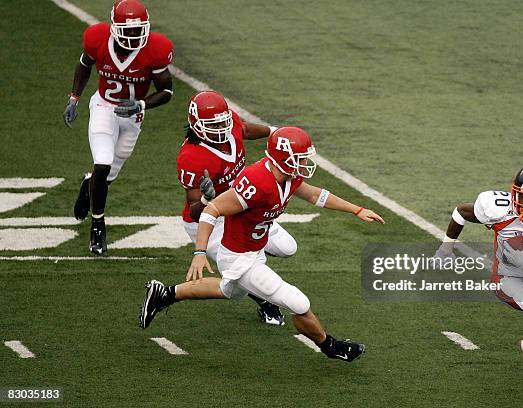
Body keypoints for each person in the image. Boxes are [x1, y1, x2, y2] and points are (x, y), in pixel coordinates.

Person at [140, 127, 385, 362]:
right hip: (238, 256)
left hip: (254, 247)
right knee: (299, 303)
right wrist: (200, 252)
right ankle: (330, 346)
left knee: (230, 291)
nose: (304, 163)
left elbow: (314, 195)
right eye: (299, 158)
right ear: (283, 158)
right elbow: (211, 210)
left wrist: (357, 209)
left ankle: (165, 294)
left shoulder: (287, 176)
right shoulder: (257, 181)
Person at [434, 164, 523, 390]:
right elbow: (461, 212)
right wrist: (445, 249)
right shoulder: (498, 209)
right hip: (505, 277)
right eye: (521, 196)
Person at [177, 90, 298, 325]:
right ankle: (266, 302)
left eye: (223, 120)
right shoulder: (191, 157)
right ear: (196, 125)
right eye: (213, 124)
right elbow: (194, 209)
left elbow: (243, 129)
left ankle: (254, 254)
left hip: (241, 206)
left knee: (287, 247)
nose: (221, 127)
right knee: (242, 276)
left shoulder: (229, 123)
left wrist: (273, 132)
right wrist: (205, 200)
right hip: (210, 219)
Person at [63, 0, 174, 255]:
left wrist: (141, 105)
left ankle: (88, 184)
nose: (134, 36)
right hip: (104, 106)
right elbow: (84, 64)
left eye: (138, 30)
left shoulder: (155, 49)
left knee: (108, 175)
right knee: (103, 162)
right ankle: (98, 226)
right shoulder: (97, 39)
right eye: (129, 30)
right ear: (115, 27)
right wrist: (74, 98)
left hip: (132, 118)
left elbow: (166, 90)